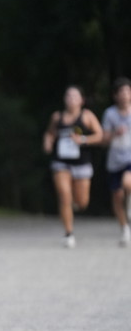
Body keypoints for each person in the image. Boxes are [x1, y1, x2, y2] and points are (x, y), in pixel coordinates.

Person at [42, 86, 103, 248]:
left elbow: (100, 135)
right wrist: (47, 142)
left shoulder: (87, 116)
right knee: (64, 195)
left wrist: (83, 140)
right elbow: (50, 133)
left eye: (75, 96)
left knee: (82, 202)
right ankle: (68, 233)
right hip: (61, 162)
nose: (71, 99)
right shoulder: (57, 117)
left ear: (82, 100)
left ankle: (74, 207)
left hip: (82, 163)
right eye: (68, 96)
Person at [100, 77, 131, 246]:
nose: (125, 95)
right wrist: (114, 133)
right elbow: (104, 140)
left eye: (128, 91)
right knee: (117, 196)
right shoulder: (110, 114)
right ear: (115, 95)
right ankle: (124, 228)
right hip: (115, 160)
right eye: (122, 92)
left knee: (128, 182)